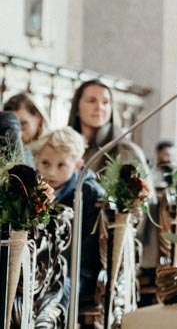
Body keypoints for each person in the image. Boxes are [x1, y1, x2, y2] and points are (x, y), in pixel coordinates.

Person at [31, 126, 105, 312]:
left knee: (58, 291)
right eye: (45, 163)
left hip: (76, 271)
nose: (51, 173)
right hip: (39, 267)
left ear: (78, 165)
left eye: (61, 165)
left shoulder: (89, 194)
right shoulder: (32, 190)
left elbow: (88, 252)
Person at [68, 80, 147, 170]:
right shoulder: (64, 149)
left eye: (105, 102)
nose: (99, 107)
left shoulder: (126, 151)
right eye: (91, 101)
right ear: (77, 108)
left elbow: (143, 183)